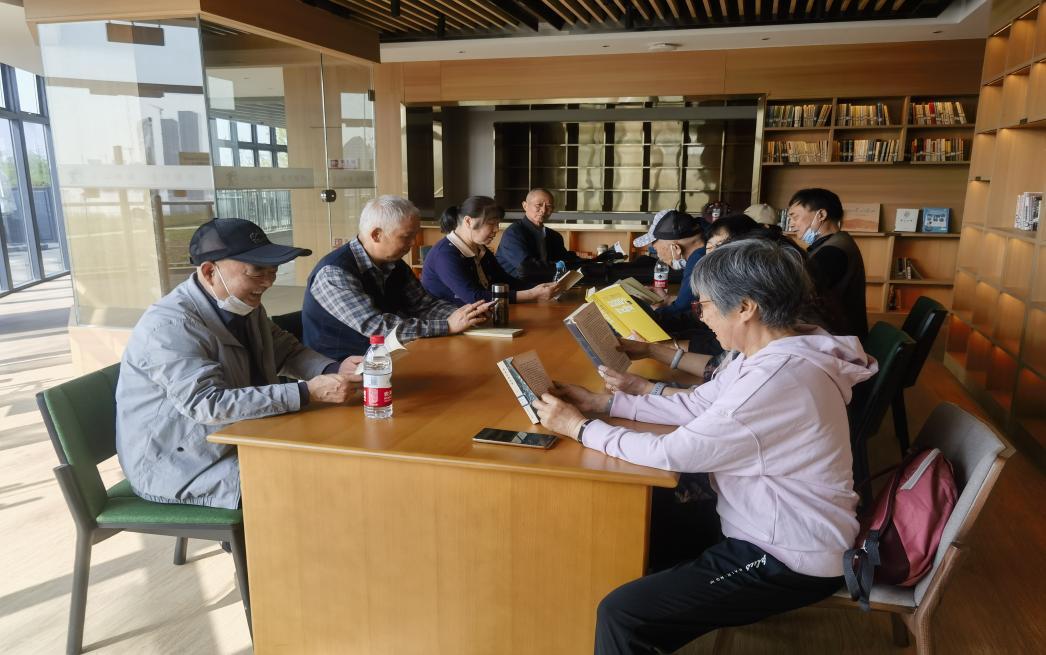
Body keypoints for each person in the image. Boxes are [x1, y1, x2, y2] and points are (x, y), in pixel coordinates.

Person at [532, 237, 877, 654]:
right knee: (645, 524)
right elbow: (697, 404)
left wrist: (580, 427)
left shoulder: (777, 378)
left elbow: (673, 453)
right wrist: (603, 404)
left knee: (624, 613)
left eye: (706, 305)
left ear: (746, 307)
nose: (703, 315)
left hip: (787, 554)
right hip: (767, 523)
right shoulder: (769, 353)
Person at [115, 218, 363, 509]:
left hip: (239, 437)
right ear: (210, 272)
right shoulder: (169, 327)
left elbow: (285, 350)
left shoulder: (242, 304)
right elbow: (208, 404)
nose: (268, 282)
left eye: (272, 270)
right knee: (315, 478)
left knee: (342, 454)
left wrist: (334, 369)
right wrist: (306, 392)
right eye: (257, 271)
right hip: (182, 465)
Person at [302, 195, 490, 359]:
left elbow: (423, 305)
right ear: (376, 235)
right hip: (340, 368)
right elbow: (377, 327)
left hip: (385, 356)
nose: (413, 243)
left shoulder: (394, 264)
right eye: (406, 237)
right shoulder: (334, 272)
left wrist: (468, 315)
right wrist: (447, 325)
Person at [421, 195, 557, 305]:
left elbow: (505, 281)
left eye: (497, 224)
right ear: (468, 221)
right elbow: (474, 297)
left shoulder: (480, 248)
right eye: (491, 224)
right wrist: (532, 294)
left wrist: (543, 287)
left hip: (480, 314)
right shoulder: (445, 254)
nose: (496, 229)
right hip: (450, 320)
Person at [787, 187, 869, 340]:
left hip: (837, 338)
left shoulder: (833, 251)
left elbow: (800, 293)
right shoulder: (836, 242)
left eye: (795, 217)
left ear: (821, 215)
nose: (791, 224)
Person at [495, 187, 584, 282]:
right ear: (525, 206)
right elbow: (526, 267)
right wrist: (561, 266)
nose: (543, 210)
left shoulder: (554, 236)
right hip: (514, 287)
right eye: (538, 205)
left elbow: (564, 260)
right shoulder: (513, 233)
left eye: (549, 206)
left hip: (545, 286)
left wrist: (589, 262)